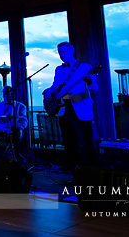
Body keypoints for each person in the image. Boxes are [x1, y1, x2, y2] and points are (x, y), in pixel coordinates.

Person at [42, 41, 99, 174]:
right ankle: (74, 174)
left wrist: (90, 81)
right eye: (59, 52)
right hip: (63, 109)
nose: (61, 55)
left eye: (63, 52)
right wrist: (48, 91)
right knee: (69, 144)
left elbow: (94, 88)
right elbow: (56, 87)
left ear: (71, 50)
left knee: (86, 143)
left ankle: (91, 174)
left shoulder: (85, 67)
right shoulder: (59, 69)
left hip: (80, 108)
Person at [0, 85, 28, 158]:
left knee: (13, 138)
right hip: (1, 131)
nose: (5, 94)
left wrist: (15, 127)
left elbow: (24, 122)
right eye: (4, 92)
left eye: (7, 92)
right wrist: (2, 120)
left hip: (13, 131)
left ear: (12, 93)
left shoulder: (21, 106)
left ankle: (13, 157)